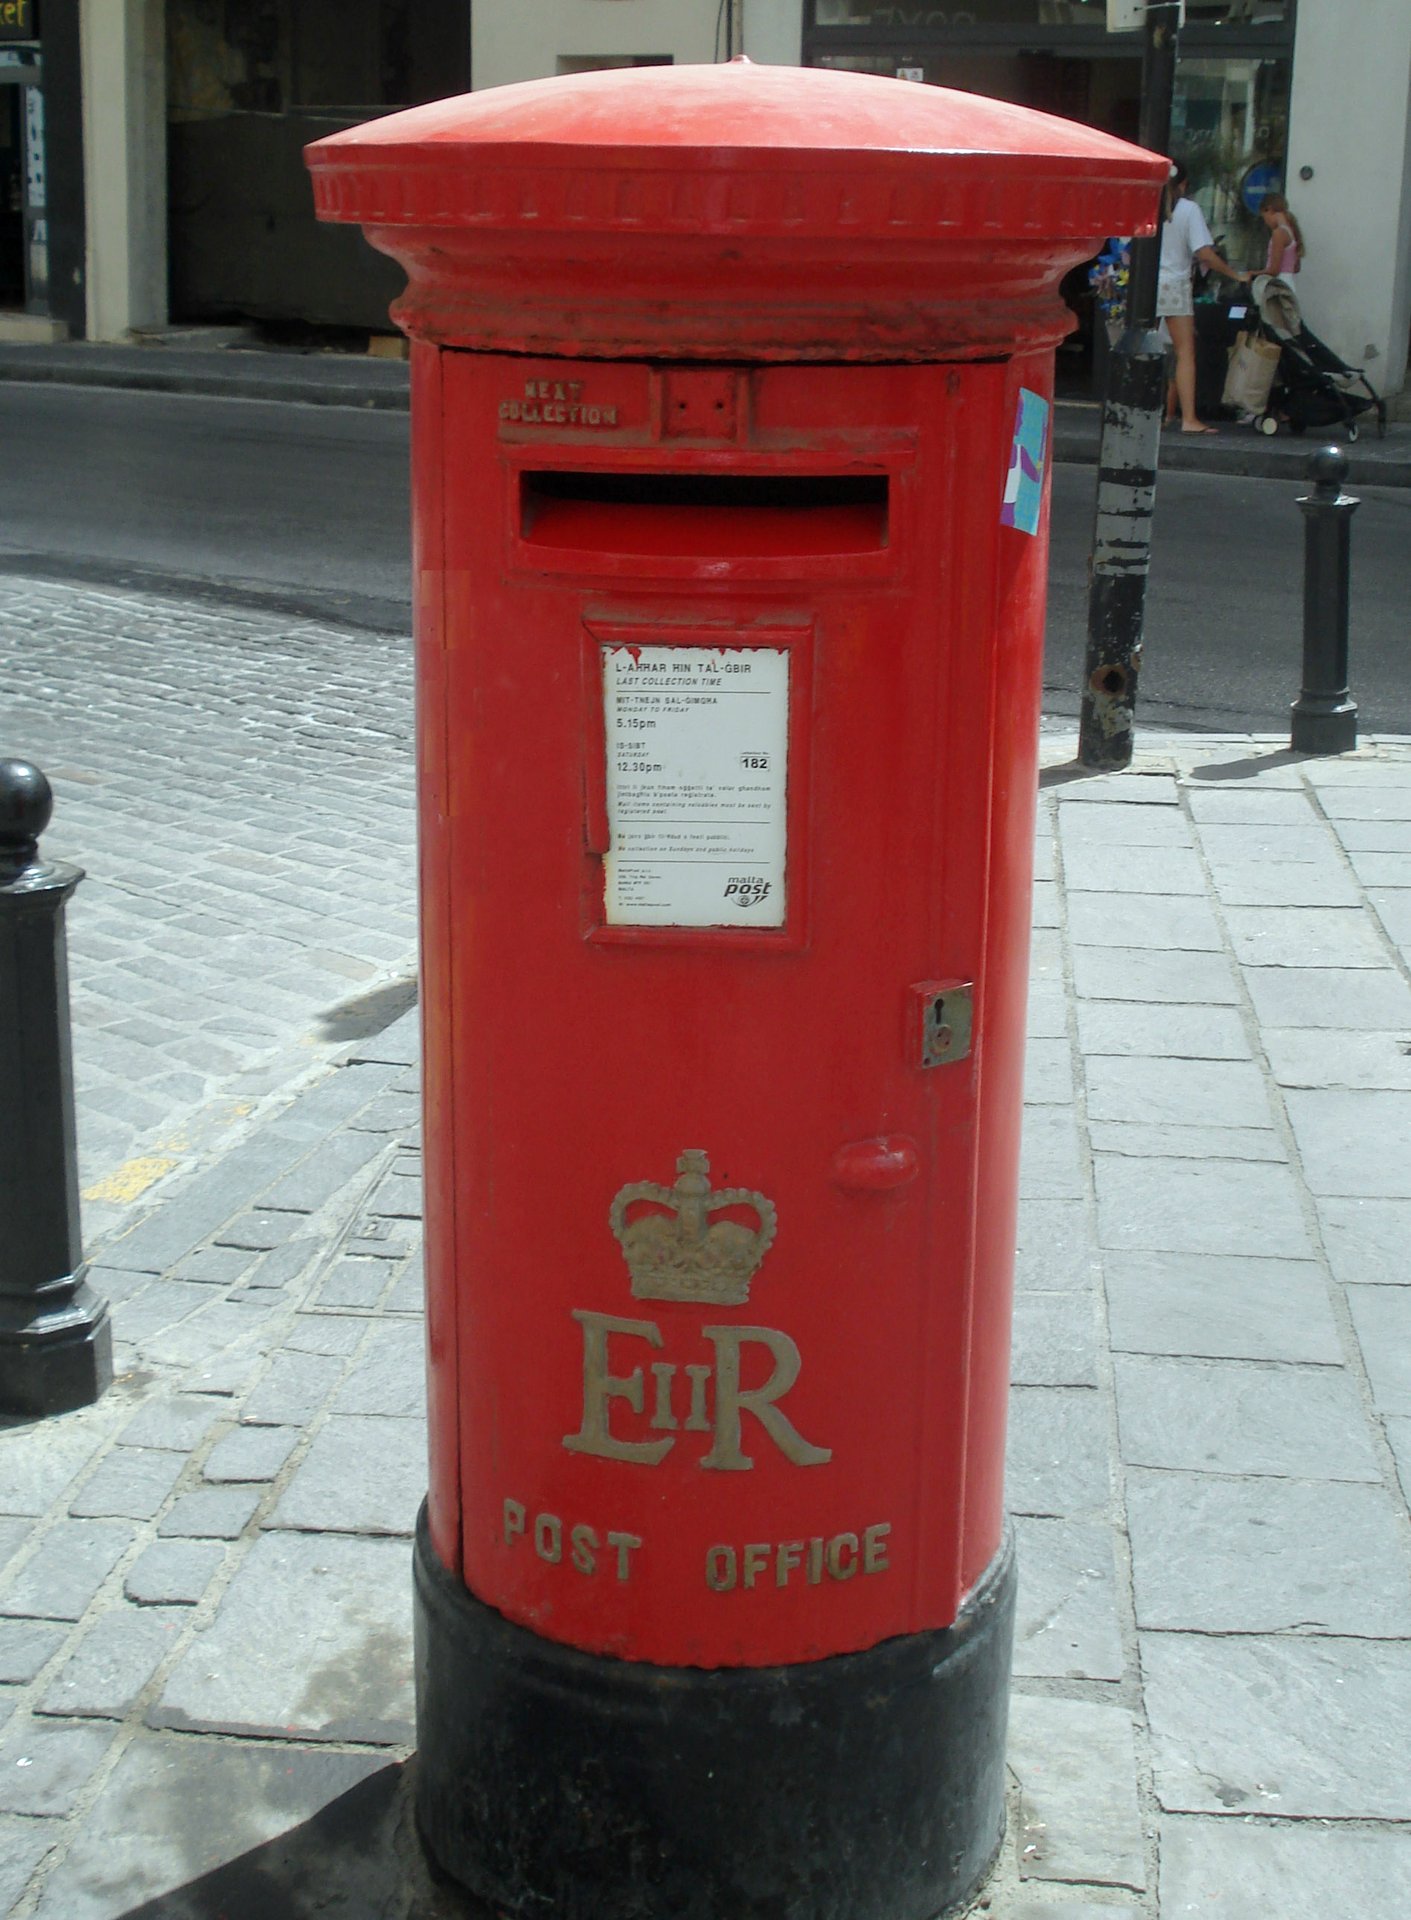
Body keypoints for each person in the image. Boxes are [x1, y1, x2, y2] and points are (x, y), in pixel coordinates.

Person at [1158, 160, 1250, 434]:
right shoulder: (1188, 209)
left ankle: (1153, 411)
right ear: (1184, 184)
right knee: (1184, 352)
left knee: (1145, 350)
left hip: (1146, 285)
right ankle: (1188, 419)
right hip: (1174, 285)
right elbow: (1204, 253)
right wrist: (1235, 275)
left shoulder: (1148, 205)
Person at [1259, 192, 1303, 278]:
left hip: (1278, 282)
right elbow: (1296, 268)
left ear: (1269, 210)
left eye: (1264, 217)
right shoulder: (1291, 230)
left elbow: (1274, 270)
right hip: (1288, 280)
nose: (1266, 222)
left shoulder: (1279, 233)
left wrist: (1252, 273)